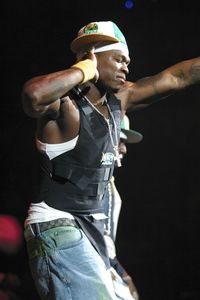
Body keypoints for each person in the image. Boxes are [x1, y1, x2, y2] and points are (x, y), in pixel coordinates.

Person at [21, 20, 200, 300]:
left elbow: (176, 78)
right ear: (92, 56)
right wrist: (82, 71)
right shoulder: (64, 105)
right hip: (58, 224)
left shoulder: (120, 99)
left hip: (89, 228)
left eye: (127, 61)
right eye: (118, 59)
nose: (126, 67)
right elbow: (33, 96)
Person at [104, 115, 142, 300]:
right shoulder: (95, 180)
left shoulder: (109, 180)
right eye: (120, 140)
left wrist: (120, 271)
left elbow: (106, 239)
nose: (124, 149)